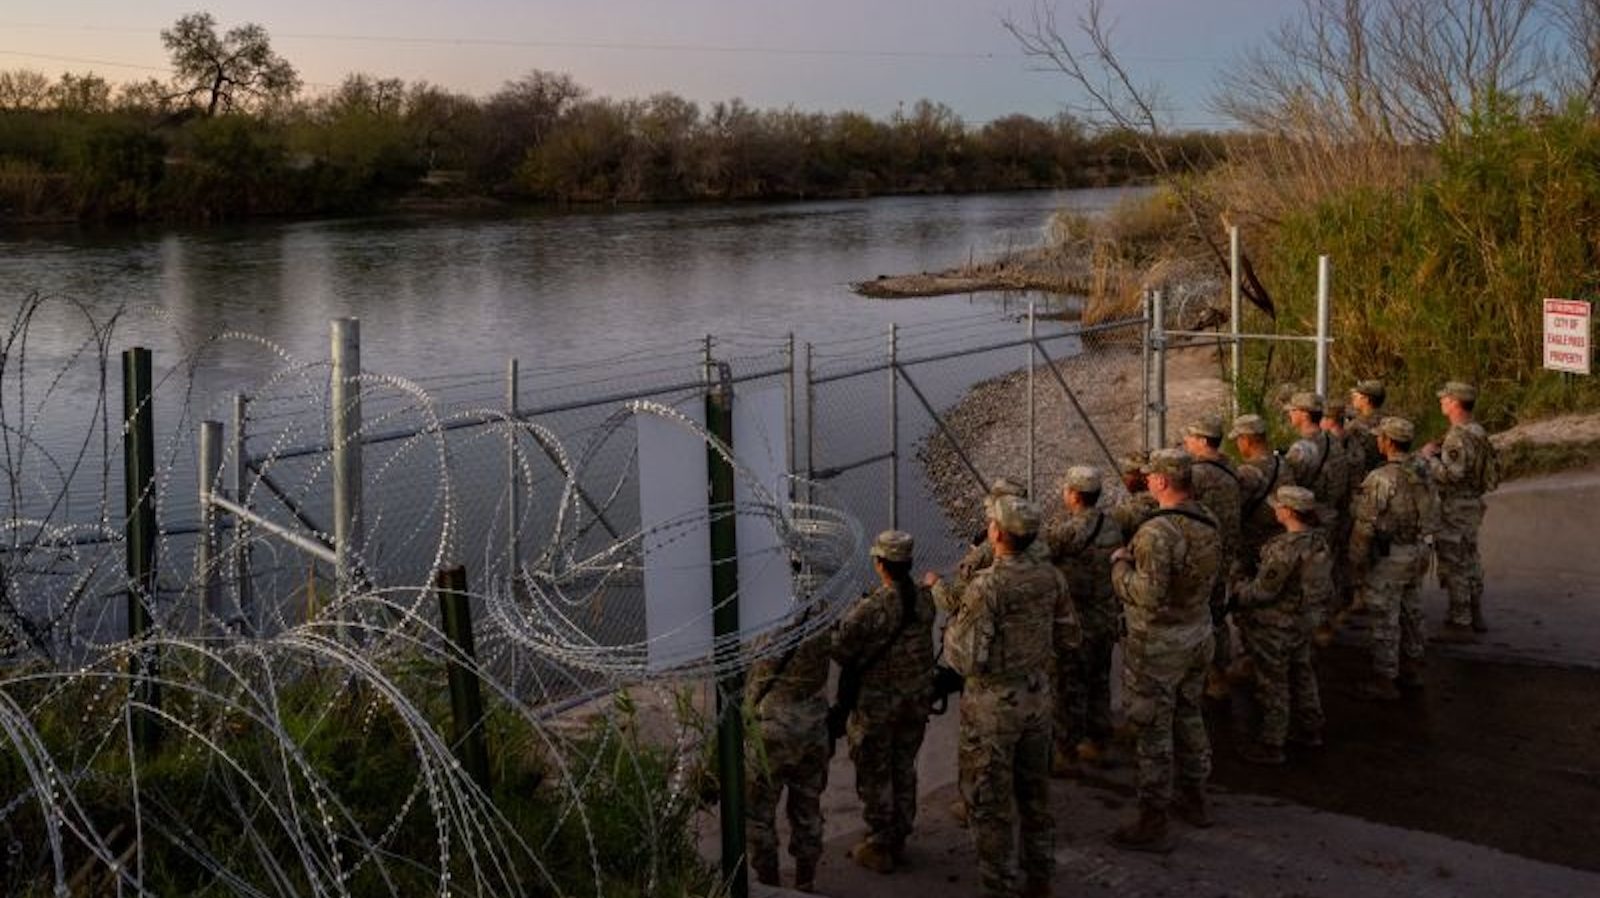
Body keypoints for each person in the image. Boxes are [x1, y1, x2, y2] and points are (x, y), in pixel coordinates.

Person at [927, 496, 1077, 898]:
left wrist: (952, 628)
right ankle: (1040, 875)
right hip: (1037, 698)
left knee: (990, 804)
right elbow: (1069, 636)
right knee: (1035, 794)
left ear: (996, 533)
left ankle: (999, 885)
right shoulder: (1051, 577)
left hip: (993, 709)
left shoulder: (987, 586)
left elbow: (965, 660)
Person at [1108, 449, 1221, 853]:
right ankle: (1196, 796)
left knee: (1152, 728)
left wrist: (1119, 567)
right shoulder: (1208, 519)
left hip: (1158, 645)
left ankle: (1153, 818)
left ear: (1159, 482)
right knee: (1189, 714)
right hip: (1198, 633)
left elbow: (1148, 595)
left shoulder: (1156, 533)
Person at [831, 530, 936, 874]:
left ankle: (880, 842)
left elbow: (843, 651)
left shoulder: (870, 609)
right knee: (903, 766)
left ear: (880, 564)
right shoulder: (924, 599)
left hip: (878, 706)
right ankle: (899, 835)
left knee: (875, 773)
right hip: (916, 699)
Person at [1231, 486, 1330, 764]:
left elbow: (1264, 592)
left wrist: (1239, 589)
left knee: (1273, 682)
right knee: (1303, 673)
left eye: (1277, 506)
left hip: (1277, 624)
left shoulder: (1284, 549)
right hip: (1304, 619)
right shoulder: (1319, 540)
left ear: (1287, 511)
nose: (1274, 509)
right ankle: (1311, 728)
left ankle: (1272, 743)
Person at [745, 606, 833, 891]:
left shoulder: (769, 618)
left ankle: (768, 882)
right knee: (808, 808)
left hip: (773, 730)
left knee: (758, 814)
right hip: (812, 726)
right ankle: (805, 881)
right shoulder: (820, 611)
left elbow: (758, 674)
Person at [1044, 465, 1123, 775]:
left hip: (1076, 622)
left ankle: (1067, 750)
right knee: (1099, 681)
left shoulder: (1068, 532)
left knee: (1068, 686)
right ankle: (1099, 741)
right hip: (1105, 617)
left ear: (1074, 495)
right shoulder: (1112, 526)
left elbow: (1039, 551)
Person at [1348, 417, 1432, 700]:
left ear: (1388, 442)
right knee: (1412, 612)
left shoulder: (1381, 478)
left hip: (1390, 555)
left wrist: (1356, 561)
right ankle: (1413, 669)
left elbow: (1365, 524)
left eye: (1380, 437)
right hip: (1417, 550)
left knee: (1385, 618)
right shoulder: (1422, 469)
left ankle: (1385, 679)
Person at [1422, 381, 1497, 639]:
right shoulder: (1477, 430)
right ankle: (1474, 613)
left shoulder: (1457, 437)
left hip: (1455, 505)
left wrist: (1429, 458)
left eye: (1445, 398)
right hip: (1472, 503)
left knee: (1454, 562)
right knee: (1470, 558)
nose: (1441, 402)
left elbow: (1451, 475)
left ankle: (1459, 621)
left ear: (1455, 402)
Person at [1182, 416, 1241, 699]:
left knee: (1197, 613)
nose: (1186, 441)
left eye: (1191, 436)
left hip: (1201, 554)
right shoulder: (1231, 467)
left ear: (1204, 441)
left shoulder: (1197, 474)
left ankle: (1201, 676)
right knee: (1217, 611)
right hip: (1226, 551)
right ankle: (1221, 672)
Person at [1230, 414, 1294, 578]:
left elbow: (1234, 507)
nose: (1238, 445)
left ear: (1246, 440)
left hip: (1255, 543)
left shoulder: (1249, 471)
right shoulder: (1283, 462)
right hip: (1282, 537)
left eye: (1238, 440)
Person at [1111, 451, 1157, 539]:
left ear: (1144, 477)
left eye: (1129, 473)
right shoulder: (1163, 498)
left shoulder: (1132, 509)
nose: (1124, 478)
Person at [1346, 380, 1388, 475]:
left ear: (1366, 400)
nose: (1354, 398)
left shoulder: (1354, 426)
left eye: (1358, 396)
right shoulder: (1388, 421)